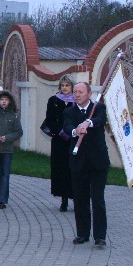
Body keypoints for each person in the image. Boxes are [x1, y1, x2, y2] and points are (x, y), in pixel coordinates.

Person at [63, 82, 110, 247]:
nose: (77, 95)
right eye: (75, 92)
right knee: (80, 199)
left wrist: (88, 123)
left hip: (98, 162)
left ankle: (100, 236)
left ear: (89, 94)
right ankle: (82, 234)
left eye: (80, 92)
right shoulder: (69, 111)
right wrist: (76, 131)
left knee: (97, 199)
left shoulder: (98, 108)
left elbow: (100, 120)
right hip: (78, 162)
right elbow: (67, 127)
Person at [43, 75, 76, 212]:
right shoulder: (54, 100)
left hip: (74, 139)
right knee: (61, 169)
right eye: (62, 85)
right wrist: (60, 131)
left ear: (72, 86)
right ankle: (64, 200)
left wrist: (73, 132)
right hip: (59, 140)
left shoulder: (77, 101)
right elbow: (50, 119)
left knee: (74, 169)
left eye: (67, 85)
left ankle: (76, 198)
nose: (64, 88)